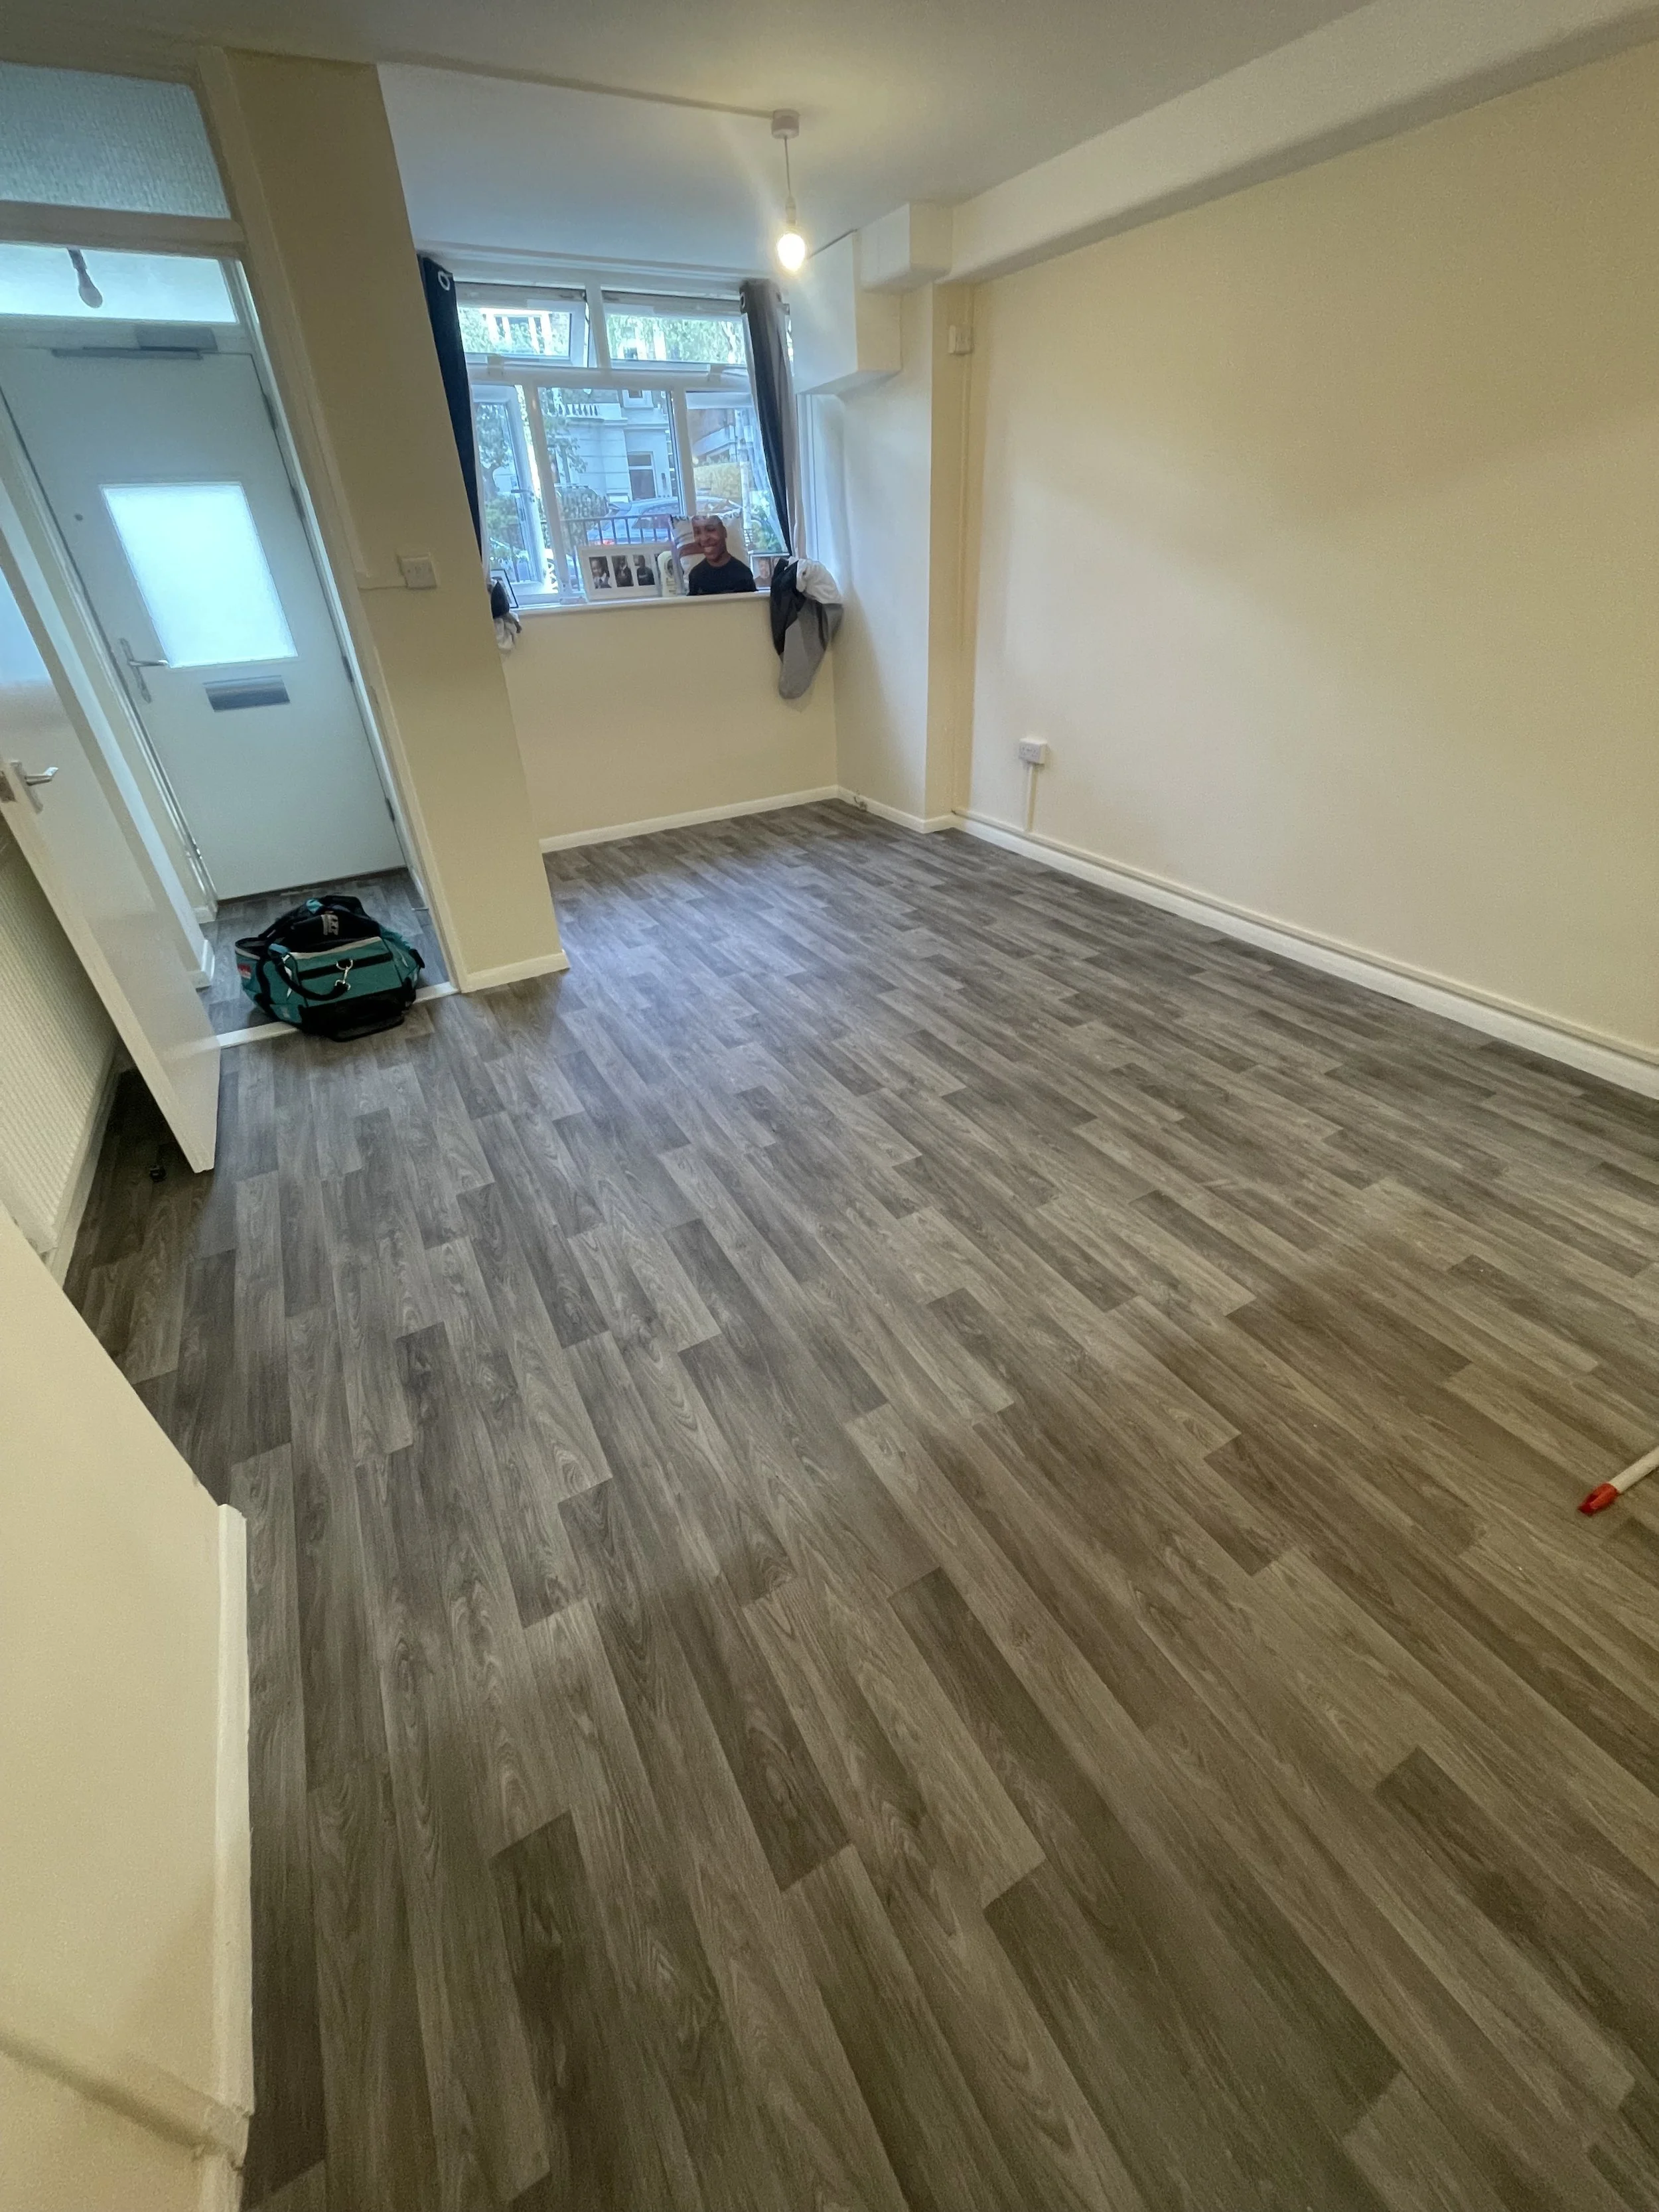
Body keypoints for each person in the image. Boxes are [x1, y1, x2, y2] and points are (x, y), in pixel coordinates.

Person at [683, 514, 757, 597]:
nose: (704, 538)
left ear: (724, 532)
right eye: (698, 532)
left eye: (710, 530)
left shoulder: (743, 573)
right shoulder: (695, 575)